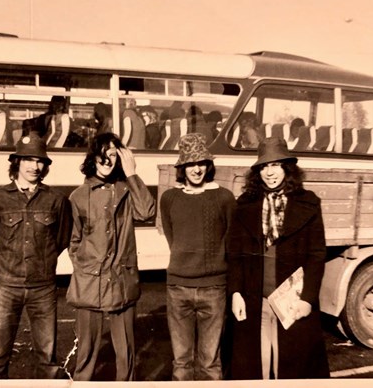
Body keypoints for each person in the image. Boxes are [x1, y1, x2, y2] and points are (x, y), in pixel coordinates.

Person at [226, 137, 329, 379]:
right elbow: (235, 254)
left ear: (286, 167)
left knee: (291, 367)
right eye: (264, 166)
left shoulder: (308, 203)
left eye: (275, 165)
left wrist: (308, 299)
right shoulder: (245, 204)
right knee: (256, 367)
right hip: (255, 300)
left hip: (292, 302)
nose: (269, 172)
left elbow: (316, 254)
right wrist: (236, 293)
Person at [0, 133, 73, 379]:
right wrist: (11, 258)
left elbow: (62, 239)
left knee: (48, 360)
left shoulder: (56, 200)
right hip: (8, 287)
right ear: (17, 162)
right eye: (28, 159)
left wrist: (42, 261)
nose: (35, 166)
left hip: (43, 289)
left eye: (40, 160)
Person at [66, 132, 155, 381]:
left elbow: (147, 210)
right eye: (102, 155)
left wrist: (132, 173)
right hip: (89, 283)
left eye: (114, 156)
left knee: (126, 351)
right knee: (86, 352)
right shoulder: (78, 196)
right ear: (93, 157)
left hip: (122, 282)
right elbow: (73, 242)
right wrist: (86, 267)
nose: (108, 161)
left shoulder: (127, 190)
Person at [160, 133, 236, 381]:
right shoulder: (169, 198)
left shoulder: (224, 197)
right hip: (178, 288)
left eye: (201, 163)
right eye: (191, 163)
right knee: (181, 363)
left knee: (210, 363)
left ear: (208, 165)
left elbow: (230, 238)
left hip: (213, 289)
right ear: (182, 167)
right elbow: (173, 239)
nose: (197, 169)